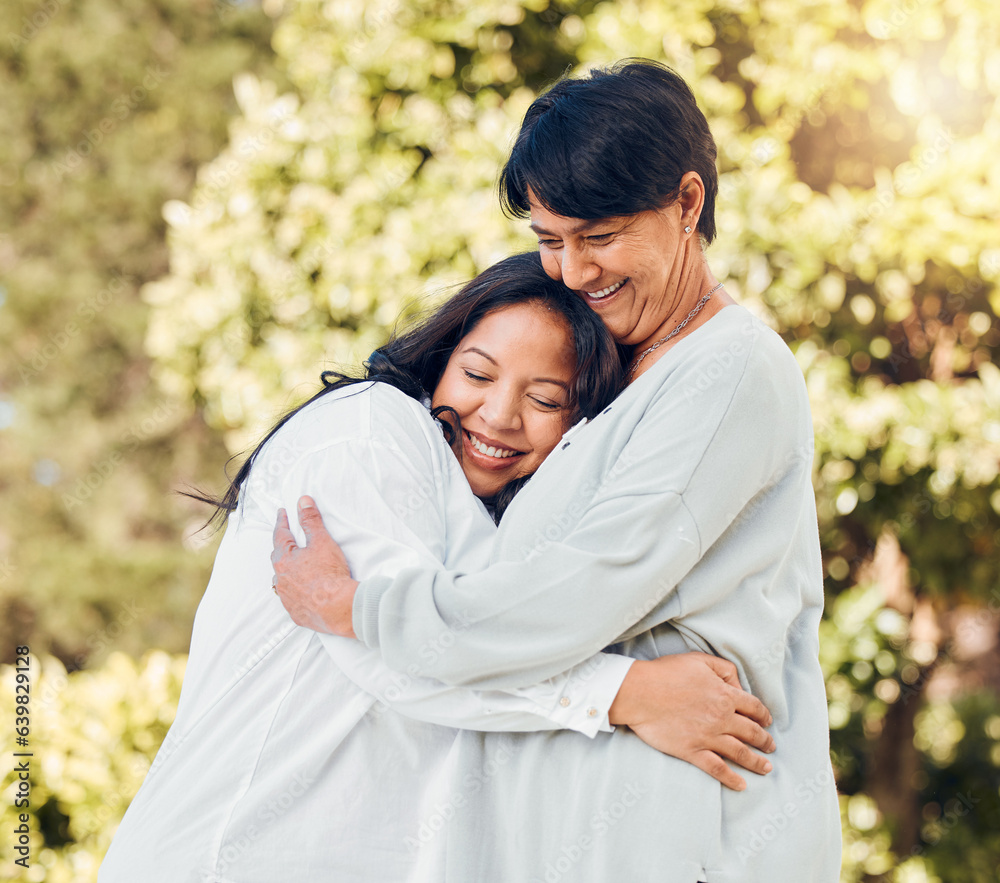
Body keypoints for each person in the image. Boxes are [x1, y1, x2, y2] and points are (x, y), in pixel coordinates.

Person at [272, 60, 842, 882]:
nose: (574, 272)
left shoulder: (731, 373)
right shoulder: (610, 375)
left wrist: (357, 605)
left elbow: (567, 597)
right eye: (549, 241)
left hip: (684, 834)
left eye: (599, 237)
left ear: (688, 203)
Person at [99, 252, 772, 883]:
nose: (500, 414)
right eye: (478, 374)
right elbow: (402, 654)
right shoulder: (368, 432)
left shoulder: (502, 526)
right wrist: (633, 694)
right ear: (442, 355)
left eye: (544, 400)